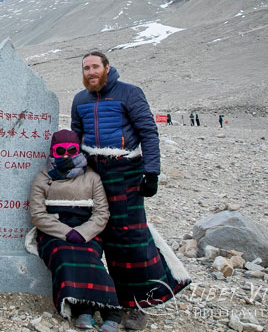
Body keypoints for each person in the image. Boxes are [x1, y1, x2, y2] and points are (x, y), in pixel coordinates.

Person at [71, 51, 190, 330]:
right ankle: (94, 298)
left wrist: (152, 172)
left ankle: (138, 305)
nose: (90, 72)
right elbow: (77, 137)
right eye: (86, 68)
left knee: (131, 237)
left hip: (126, 171)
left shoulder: (130, 93)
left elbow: (148, 133)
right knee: (93, 232)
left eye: (95, 67)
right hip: (94, 173)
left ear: (107, 68)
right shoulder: (80, 99)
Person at [29, 129, 120, 331]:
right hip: (53, 231)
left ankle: (110, 310)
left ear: (78, 150)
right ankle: (82, 309)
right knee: (63, 255)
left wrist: (82, 232)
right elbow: (37, 214)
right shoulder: (42, 178)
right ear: (52, 152)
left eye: (71, 150)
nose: (66, 155)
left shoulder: (92, 178)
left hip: (86, 230)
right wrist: (66, 232)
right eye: (60, 150)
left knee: (90, 258)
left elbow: (101, 212)